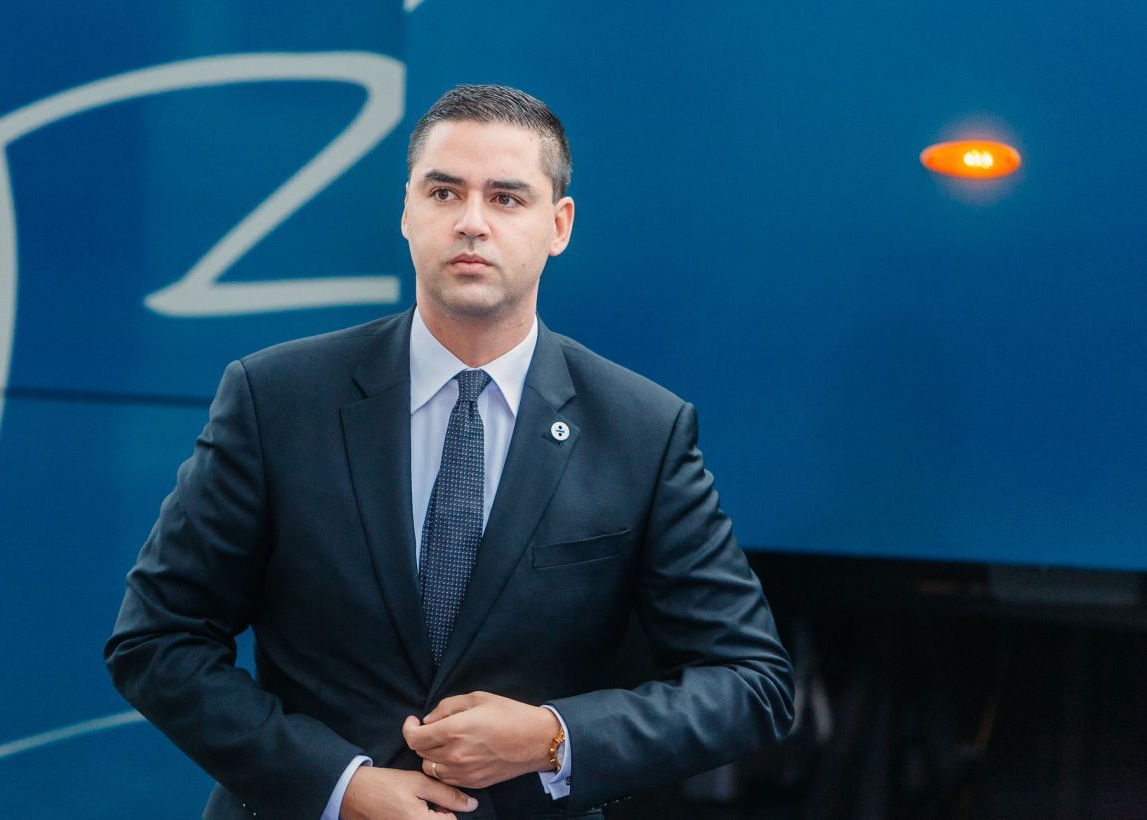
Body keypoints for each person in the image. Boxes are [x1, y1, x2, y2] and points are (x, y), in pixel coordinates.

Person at [105, 84, 794, 820]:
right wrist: (340, 786)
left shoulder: (642, 430)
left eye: (506, 198)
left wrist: (553, 738)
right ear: (407, 211)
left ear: (558, 225)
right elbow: (157, 639)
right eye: (444, 192)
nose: (471, 222)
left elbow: (751, 682)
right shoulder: (275, 398)